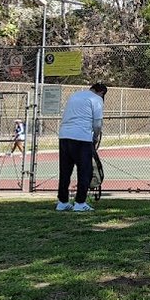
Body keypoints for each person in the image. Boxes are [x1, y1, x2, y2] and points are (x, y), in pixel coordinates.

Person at [56, 84, 106, 212]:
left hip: (64, 135)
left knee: (65, 171)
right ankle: (80, 202)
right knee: (85, 171)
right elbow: (97, 123)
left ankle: (62, 201)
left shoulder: (75, 96)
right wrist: (95, 136)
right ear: (100, 92)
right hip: (82, 137)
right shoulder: (96, 99)